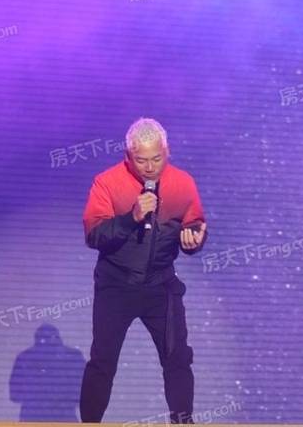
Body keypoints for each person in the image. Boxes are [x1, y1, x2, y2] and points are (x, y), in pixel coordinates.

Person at [79, 117, 208, 423]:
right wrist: (131, 217)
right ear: (128, 156)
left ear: (167, 151)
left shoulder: (183, 183)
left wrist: (194, 239)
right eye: (141, 160)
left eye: (157, 158)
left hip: (161, 286)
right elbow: (94, 235)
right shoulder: (107, 182)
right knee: (103, 361)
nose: (150, 167)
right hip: (116, 286)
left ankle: (182, 422)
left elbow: (195, 225)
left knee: (177, 357)